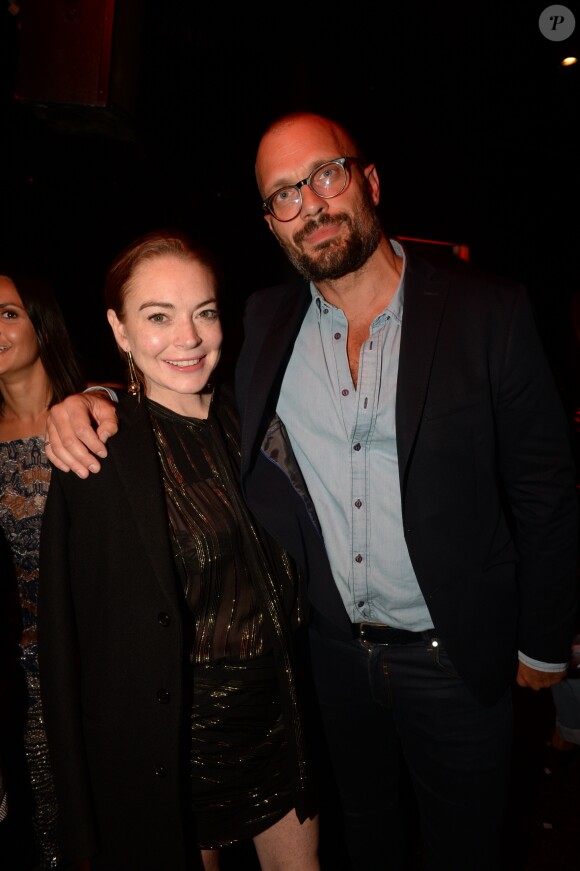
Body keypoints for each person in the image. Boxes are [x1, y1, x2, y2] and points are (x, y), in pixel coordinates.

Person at [42, 114, 579, 871]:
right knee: (364, 839)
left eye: (326, 175)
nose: (312, 205)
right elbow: (175, 379)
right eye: (284, 195)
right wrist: (89, 395)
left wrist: (543, 640)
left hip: (455, 655)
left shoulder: (489, 312)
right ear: (271, 223)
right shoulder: (265, 321)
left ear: (369, 181)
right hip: (327, 662)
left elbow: (547, 489)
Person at [37, 230, 320, 871]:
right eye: (157, 317)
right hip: (178, 740)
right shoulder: (97, 454)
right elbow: (70, 640)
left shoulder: (256, 419)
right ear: (120, 330)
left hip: (278, 718)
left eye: (204, 312)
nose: (188, 338)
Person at [0, 267, 86, 870]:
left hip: (100, 658)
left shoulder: (97, 412)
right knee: (52, 832)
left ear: (40, 321)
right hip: (21, 677)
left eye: (7, 313)